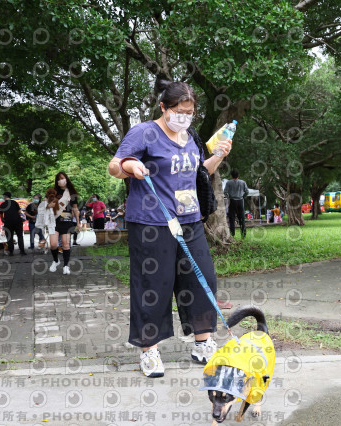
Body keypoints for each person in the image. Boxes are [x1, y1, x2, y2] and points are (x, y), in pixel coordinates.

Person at [107, 80, 233, 378]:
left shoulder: (191, 136)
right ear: (163, 107)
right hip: (152, 222)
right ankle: (149, 350)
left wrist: (219, 155)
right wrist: (131, 167)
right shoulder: (144, 132)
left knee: (201, 280)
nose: (184, 117)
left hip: (189, 220)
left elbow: (199, 173)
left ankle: (202, 343)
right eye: (179, 111)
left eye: (190, 113)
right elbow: (114, 166)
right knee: (154, 285)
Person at [48, 172, 79, 274]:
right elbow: (47, 205)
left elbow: (75, 209)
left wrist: (78, 223)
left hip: (67, 221)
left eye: (63, 178)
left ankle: (66, 266)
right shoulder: (53, 192)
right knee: (53, 244)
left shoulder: (71, 193)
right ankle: (56, 260)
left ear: (66, 179)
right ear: (57, 181)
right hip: (54, 221)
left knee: (66, 244)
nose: (61, 180)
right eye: (59, 179)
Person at [224, 169, 249, 238]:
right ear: (238, 175)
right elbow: (247, 192)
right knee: (242, 218)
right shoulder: (243, 182)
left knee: (231, 218)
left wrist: (229, 197)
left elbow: (225, 192)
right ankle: (243, 235)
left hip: (232, 201)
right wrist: (243, 197)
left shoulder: (229, 182)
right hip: (240, 201)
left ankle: (232, 235)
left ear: (231, 175)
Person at [0, 192, 26, 256]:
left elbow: (1, 214)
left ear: (4, 197)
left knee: (9, 237)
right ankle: (22, 251)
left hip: (8, 222)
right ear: (10, 196)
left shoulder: (2, 204)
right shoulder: (14, 202)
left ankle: (11, 252)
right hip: (17, 221)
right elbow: (19, 211)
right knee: (20, 236)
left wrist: (3, 220)